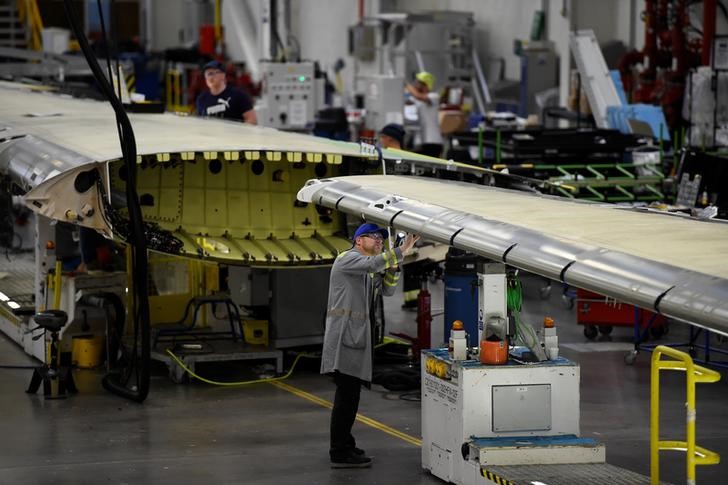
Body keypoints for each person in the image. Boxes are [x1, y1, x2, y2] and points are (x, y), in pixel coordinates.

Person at [322, 222, 419, 468]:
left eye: (381, 238)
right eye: (373, 237)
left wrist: (395, 266)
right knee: (346, 397)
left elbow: (387, 291)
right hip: (345, 339)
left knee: (350, 397)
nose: (378, 241)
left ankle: (345, 444)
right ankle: (339, 451)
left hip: (357, 341)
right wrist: (400, 251)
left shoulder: (366, 271)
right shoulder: (347, 260)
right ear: (358, 241)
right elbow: (373, 263)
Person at [196, 60, 257, 124]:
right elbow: (201, 123)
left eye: (212, 73)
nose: (209, 78)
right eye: (207, 75)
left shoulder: (238, 95)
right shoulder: (201, 99)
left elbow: (252, 119)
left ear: (222, 75)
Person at [405, 71, 443, 158]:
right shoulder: (419, 100)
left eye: (418, 82)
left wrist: (406, 84)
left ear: (424, 84)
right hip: (423, 141)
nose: (415, 84)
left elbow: (418, 96)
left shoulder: (434, 96)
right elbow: (410, 99)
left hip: (433, 141)